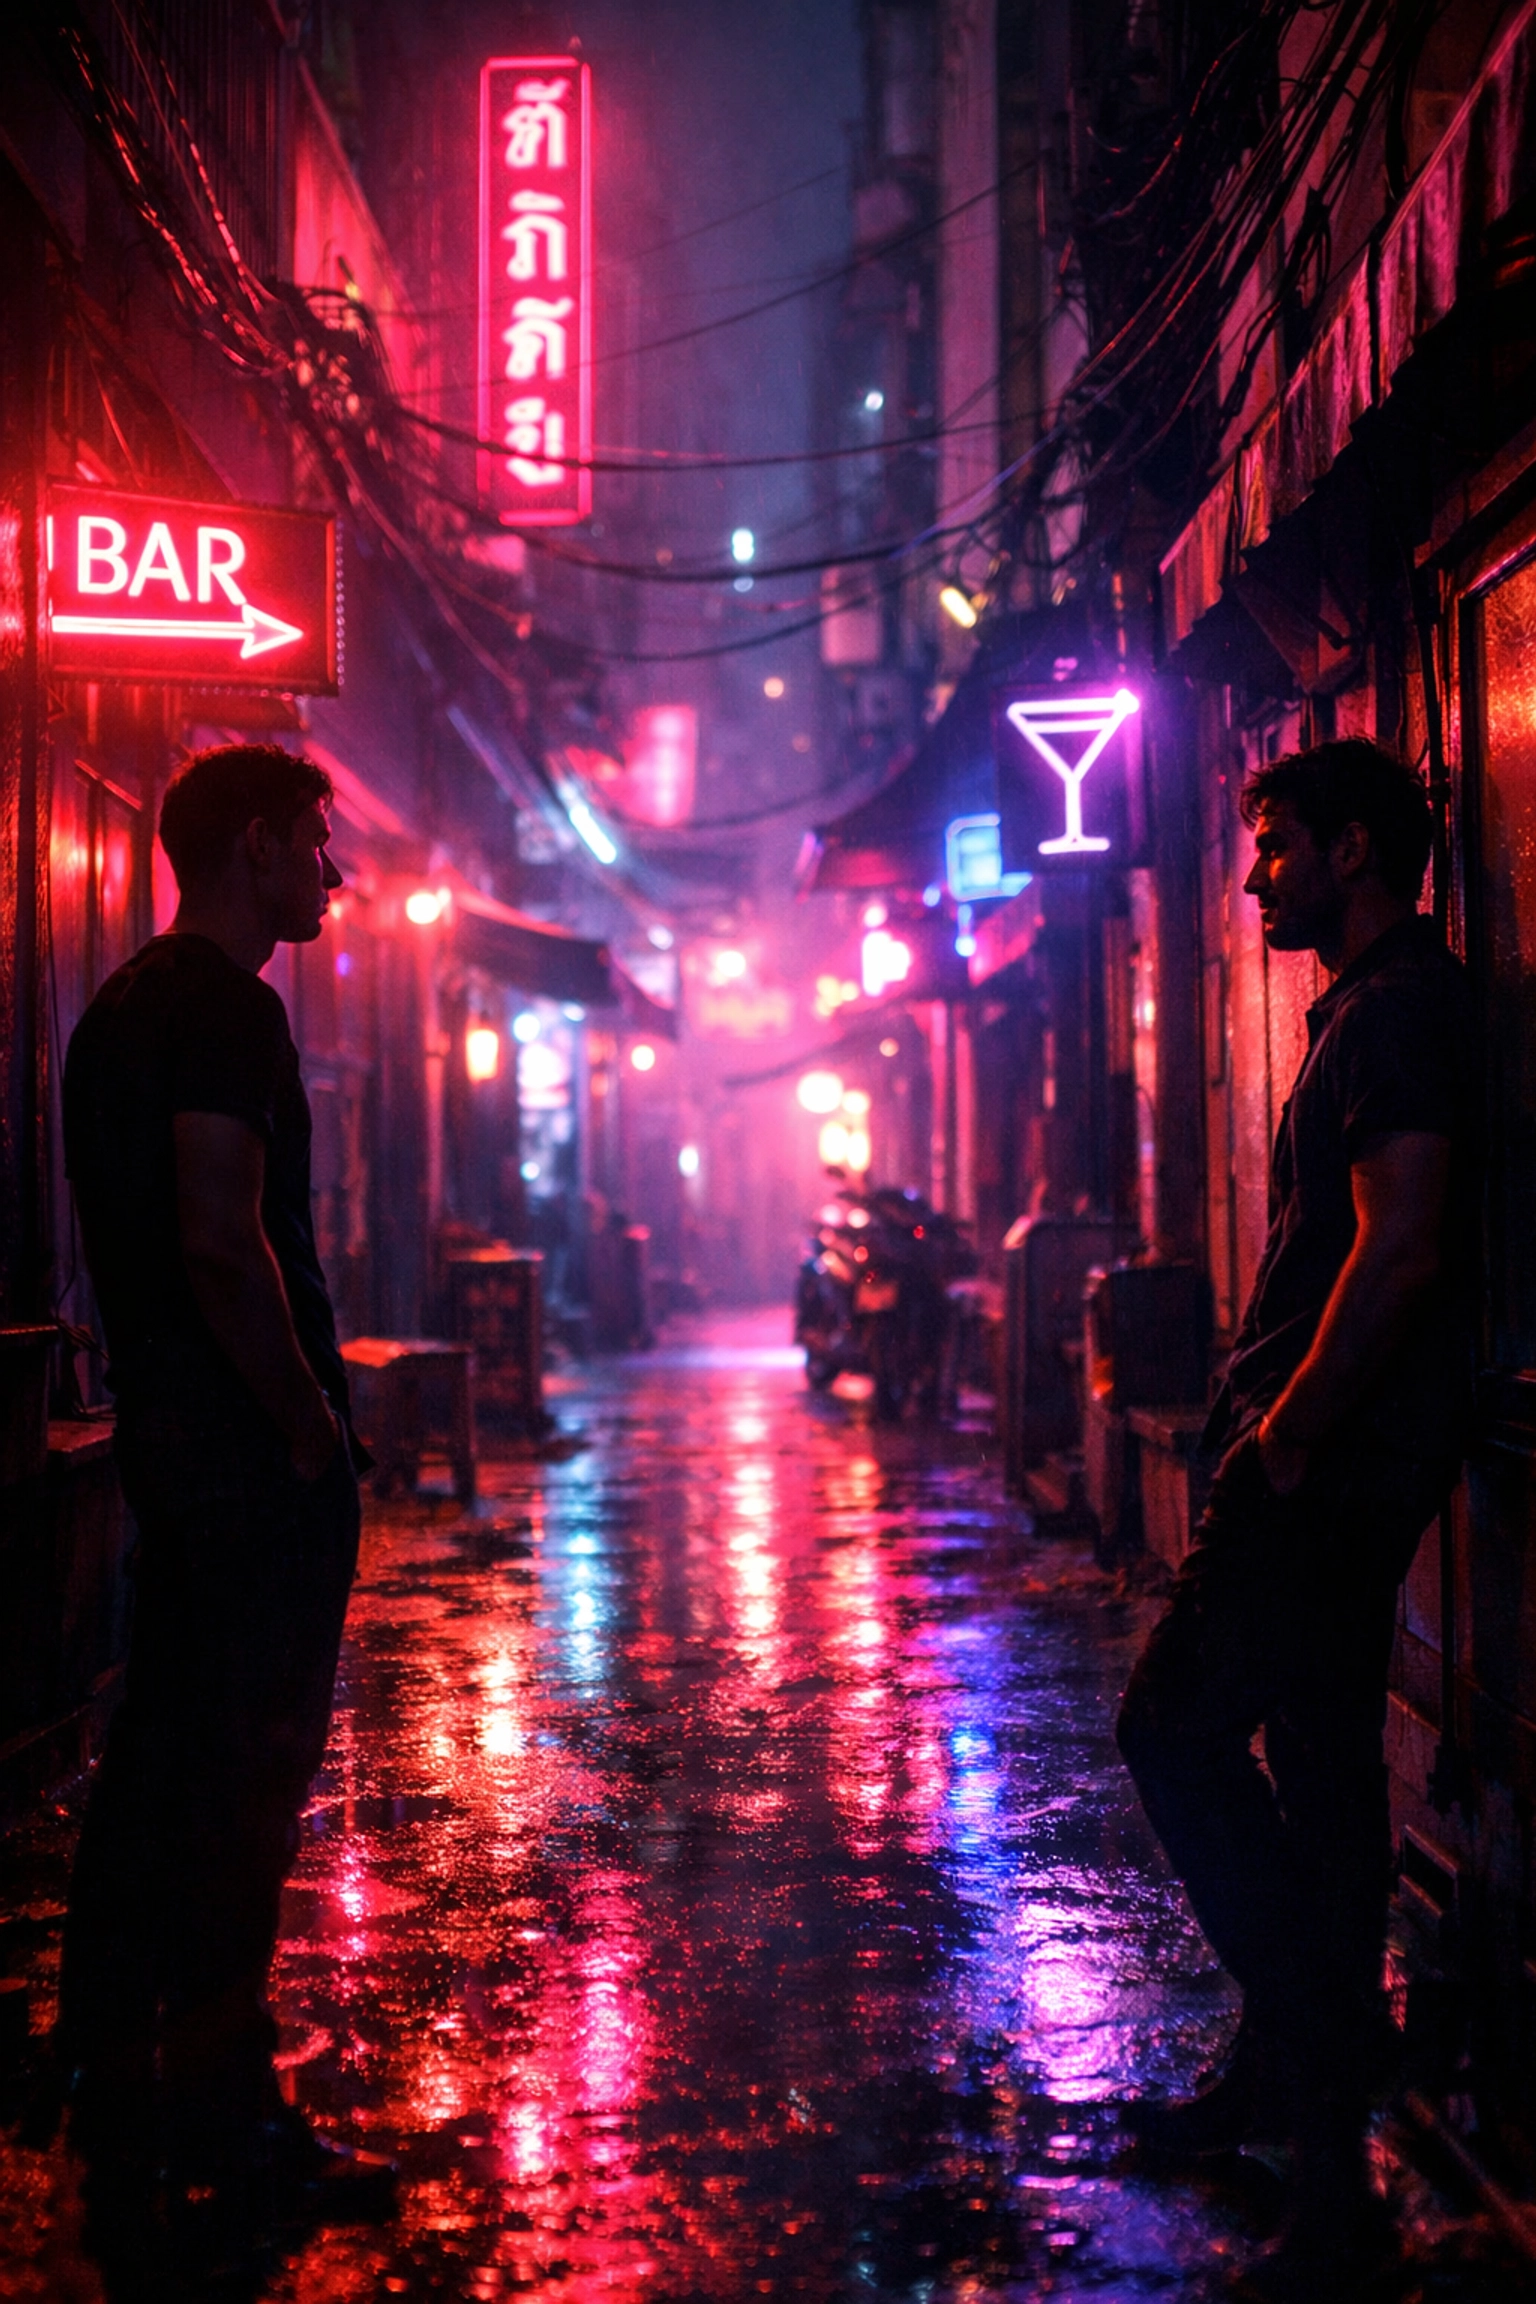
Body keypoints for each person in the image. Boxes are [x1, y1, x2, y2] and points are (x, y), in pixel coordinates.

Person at [1115, 740, 1476, 2301]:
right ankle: (1313, 2139)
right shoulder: (1364, 1008)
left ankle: (1337, 2045)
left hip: (1320, 1475)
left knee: (1172, 1732)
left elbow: (1399, 1251)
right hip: (1314, 1462)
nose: (1255, 874)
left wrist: (1286, 1434)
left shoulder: (1402, 1012)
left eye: (1276, 847)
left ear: (1350, 849)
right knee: (1322, 1777)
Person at [58, 742, 392, 2222]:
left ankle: (111, 2084)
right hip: (247, 1455)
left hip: (162, 1436)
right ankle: (227, 2111)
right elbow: (216, 1233)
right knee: (247, 1779)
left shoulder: (113, 1010)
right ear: (258, 847)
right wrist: (307, 1415)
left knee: (153, 1765)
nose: (333, 873)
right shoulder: (230, 1013)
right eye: (316, 847)